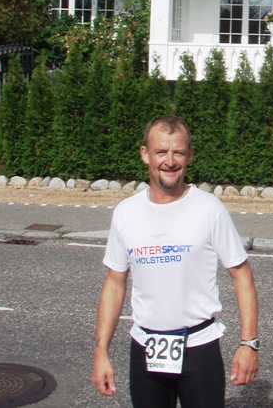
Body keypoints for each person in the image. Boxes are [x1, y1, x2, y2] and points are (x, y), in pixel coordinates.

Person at [92, 115, 259, 407]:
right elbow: (115, 284)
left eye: (178, 152)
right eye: (161, 152)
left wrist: (249, 344)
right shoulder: (126, 213)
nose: (170, 161)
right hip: (146, 349)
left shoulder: (209, 209)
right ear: (145, 154)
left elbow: (241, 274)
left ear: (189, 155)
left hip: (199, 348)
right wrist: (101, 352)